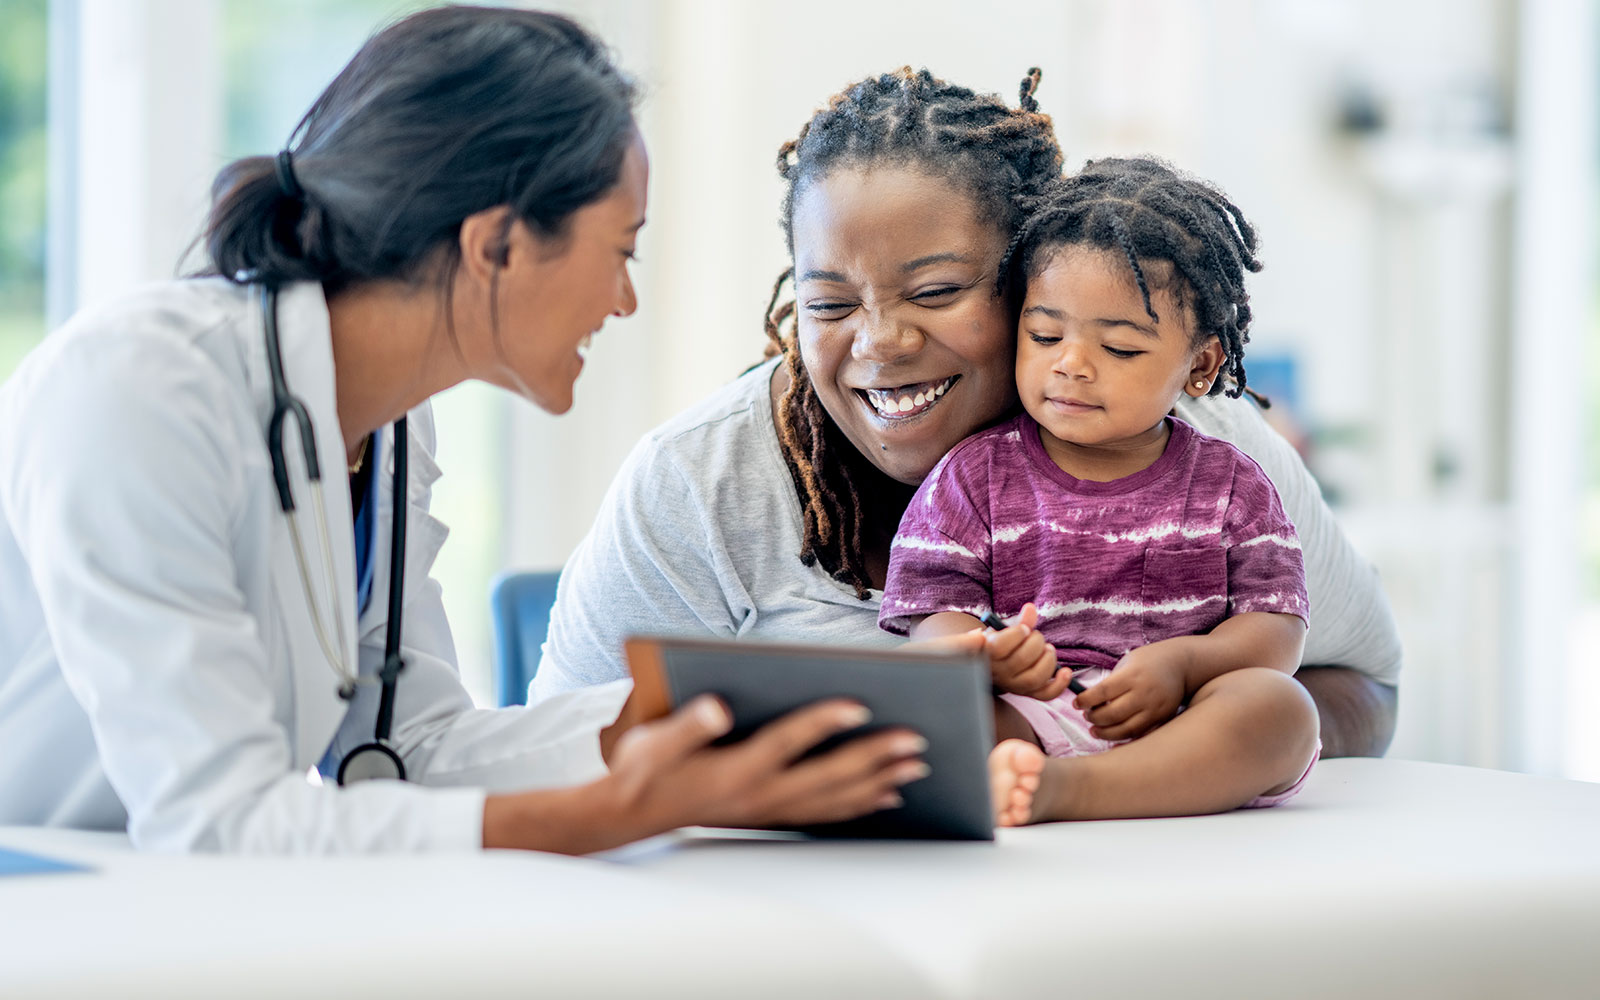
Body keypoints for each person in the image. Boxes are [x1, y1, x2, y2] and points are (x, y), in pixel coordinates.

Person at [0, 6, 931, 854]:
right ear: (496, 246)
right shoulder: (137, 386)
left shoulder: (393, 423)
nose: (625, 298)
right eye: (621, 250)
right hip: (52, 902)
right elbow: (217, 820)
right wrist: (608, 814)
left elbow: (409, 746)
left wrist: (711, 717)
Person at [535, 67, 1403, 759]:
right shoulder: (697, 481)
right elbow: (561, 748)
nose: (878, 343)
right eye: (829, 304)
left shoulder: (1200, 445)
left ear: (1038, 275)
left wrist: (1155, 743)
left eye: (939, 291)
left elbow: (1365, 687)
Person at [879, 158, 1320, 824]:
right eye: (1045, 335)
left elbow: (1277, 631)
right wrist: (988, 658)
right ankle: (1032, 778)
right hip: (1030, 717)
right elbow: (934, 623)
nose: (1071, 364)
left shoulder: (1231, 485)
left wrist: (1186, 663)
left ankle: (1075, 792)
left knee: (1282, 710)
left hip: (1184, 723)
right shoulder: (972, 479)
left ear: (1200, 365)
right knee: (927, 714)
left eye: (1118, 348)